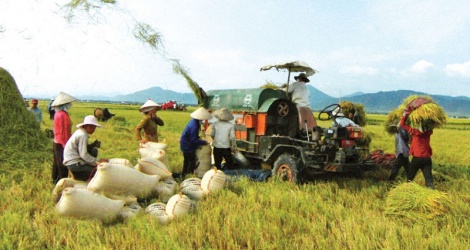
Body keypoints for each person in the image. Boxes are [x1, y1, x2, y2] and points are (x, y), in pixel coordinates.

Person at [63, 115, 107, 182]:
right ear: (88, 126)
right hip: (74, 163)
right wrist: (98, 161)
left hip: (71, 160)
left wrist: (93, 145)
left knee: (94, 151)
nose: (94, 130)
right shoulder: (83, 135)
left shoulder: (80, 132)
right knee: (97, 172)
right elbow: (83, 154)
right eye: (93, 127)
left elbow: (82, 149)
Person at [400, 106, 435, 189]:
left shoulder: (415, 132)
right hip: (427, 158)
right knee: (429, 179)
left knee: (410, 177)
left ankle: (407, 190)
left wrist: (406, 114)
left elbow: (402, 124)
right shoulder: (429, 132)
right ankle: (432, 193)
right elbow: (432, 124)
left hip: (417, 158)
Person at [51, 92, 77, 184]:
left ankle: (55, 182)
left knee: (57, 164)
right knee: (62, 165)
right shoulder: (62, 115)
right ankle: (62, 184)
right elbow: (62, 132)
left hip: (58, 142)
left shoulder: (59, 114)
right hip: (61, 143)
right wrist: (66, 145)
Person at [180, 107, 212, 177]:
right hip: (187, 145)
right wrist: (204, 142)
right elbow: (193, 140)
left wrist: (198, 138)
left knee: (186, 161)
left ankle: (183, 175)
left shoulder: (193, 121)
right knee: (191, 161)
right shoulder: (195, 125)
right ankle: (188, 175)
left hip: (184, 143)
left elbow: (193, 136)